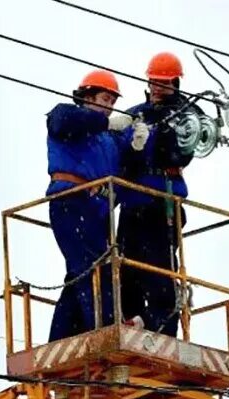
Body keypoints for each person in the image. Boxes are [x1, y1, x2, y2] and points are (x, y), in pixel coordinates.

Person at [46, 69, 148, 342]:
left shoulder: (107, 142)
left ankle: (60, 336)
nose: (109, 107)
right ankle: (107, 327)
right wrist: (108, 124)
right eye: (105, 99)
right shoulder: (66, 115)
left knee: (82, 271)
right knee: (94, 266)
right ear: (87, 96)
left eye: (112, 102)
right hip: (71, 200)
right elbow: (62, 122)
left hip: (96, 208)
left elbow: (126, 171)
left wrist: (137, 147)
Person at [117, 52, 203, 337]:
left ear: (175, 84)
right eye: (153, 82)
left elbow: (186, 149)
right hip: (132, 202)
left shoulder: (186, 115)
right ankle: (130, 319)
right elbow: (120, 154)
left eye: (163, 84)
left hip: (162, 201)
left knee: (159, 268)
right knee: (125, 265)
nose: (157, 88)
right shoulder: (137, 113)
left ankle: (163, 326)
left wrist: (161, 133)